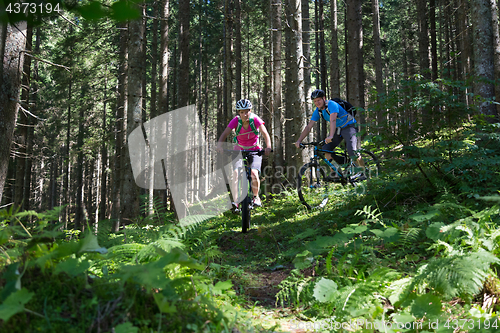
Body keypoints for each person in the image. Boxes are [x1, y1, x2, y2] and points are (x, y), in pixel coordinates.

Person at [294, 89, 366, 178]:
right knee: (326, 149)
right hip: (338, 129)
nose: (317, 103)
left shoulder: (332, 105)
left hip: (349, 126)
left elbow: (333, 120)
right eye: (315, 101)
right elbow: (309, 127)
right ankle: (335, 172)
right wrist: (299, 140)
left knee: (352, 150)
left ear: (324, 98)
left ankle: (363, 172)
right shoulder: (318, 111)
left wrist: (331, 136)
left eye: (319, 100)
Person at [217, 99, 272, 209]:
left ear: (250, 111)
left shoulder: (255, 119)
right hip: (239, 149)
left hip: (255, 149)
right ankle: (236, 202)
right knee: (235, 173)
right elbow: (225, 134)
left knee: (254, 173)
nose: (244, 114)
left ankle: (256, 197)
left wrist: (268, 147)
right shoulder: (236, 121)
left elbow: (265, 134)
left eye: (246, 111)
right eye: (242, 112)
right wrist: (219, 145)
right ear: (239, 113)